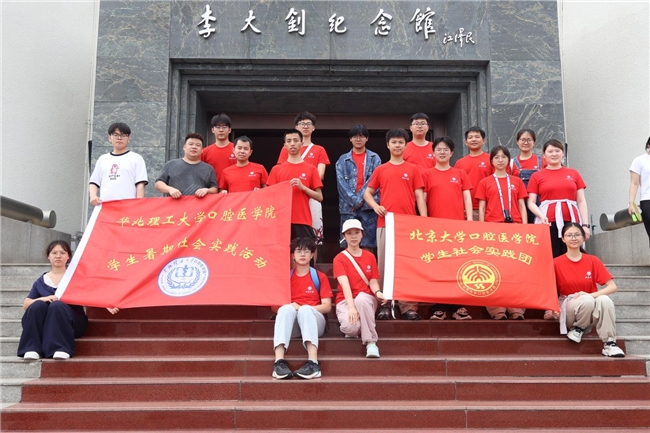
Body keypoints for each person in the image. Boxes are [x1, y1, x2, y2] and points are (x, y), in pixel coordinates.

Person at [364, 128, 427, 320]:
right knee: (384, 264)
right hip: (385, 223)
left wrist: (424, 221)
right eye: (394, 142)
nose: (397, 145)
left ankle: (409, 306)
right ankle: (385, 304)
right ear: (388, 145)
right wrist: (376, 206)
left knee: (408, 265)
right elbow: (367, 193)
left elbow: (419, 196)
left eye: (401, 142)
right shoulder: (381, 169)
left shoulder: (413, 169)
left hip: (408, 225)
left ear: (406, 145)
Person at [528, 139, 589, 320]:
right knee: (550, 261)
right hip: (549, 222)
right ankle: (551, 304)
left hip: (572, 222)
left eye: (557, 151)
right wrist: (541, 215)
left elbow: (581, 201)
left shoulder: (573, 173)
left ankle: (575, 303)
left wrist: (585, 225)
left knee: (573, 261)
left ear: (563, 153)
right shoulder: (537, 176)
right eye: (550, 151)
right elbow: (531, 202)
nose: (554, 154)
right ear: (544, 155)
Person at [553, 223, 625, 357]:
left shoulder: (593, 260)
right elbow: (550, 288)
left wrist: (590, 295)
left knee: (604, 300)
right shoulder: (556, 263)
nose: (573, 238)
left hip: (591, 306)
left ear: (583, 237)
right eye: (569, 235)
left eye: (577, 235)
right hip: (570, 308)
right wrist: (551, 309)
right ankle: (577, 328)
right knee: (587, 300)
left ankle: (610, 343)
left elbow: (612, 287)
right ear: (563, 239)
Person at [422, 136, 473, 321]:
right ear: (433, 153)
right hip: (435, 230)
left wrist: (469, 220)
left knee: (457, 266)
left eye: (446, 149)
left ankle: (458, 305)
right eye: (439, 149)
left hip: (457, 228)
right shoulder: (426, 174)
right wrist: (424, 221)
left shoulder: (460, 173)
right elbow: (422, 200)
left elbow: (467, 197)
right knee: (438, 268)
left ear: (451, 153)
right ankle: (439, 306)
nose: (442, 152)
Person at [476, 145, 528, 320]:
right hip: (493, 229)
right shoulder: (485, 182)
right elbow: (481, 207)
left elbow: (521, 205)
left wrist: (525, 227)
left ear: (508, 160)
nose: (500, 160)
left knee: (515, 269)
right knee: (494, 269)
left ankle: (516, 308)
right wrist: (482, 228)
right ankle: (496, 308)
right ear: (491, 161)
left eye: (503, 157)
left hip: (515, 228)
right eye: (496, 157)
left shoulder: (516, 181)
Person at [272, 238, 333, 380]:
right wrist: (291, 308)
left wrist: (302, 308)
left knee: (305, 310)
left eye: (306, 251)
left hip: (314, 322)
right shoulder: (286, 278)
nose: (303, 254)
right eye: (298, 251)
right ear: (293, 255)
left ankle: (313, 364)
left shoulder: (319, 277)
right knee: (285, 309)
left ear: (312, 255)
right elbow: (274, 307)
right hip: (292, 324)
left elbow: (327, 306)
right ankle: (279, 363)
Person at [17, 241, 89, 360]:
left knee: (57, 306)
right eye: (54, 253)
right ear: (48, 256)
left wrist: (109, 304)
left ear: (68, 256)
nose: (58, 256)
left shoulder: (75, 278)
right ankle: (31, 348)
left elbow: (90, 296)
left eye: (62, 253)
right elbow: (26, 305)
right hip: (45, 325)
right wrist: (43, 299)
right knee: (37, 305)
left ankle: (60, 348)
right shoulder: (41, 281)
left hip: (72, 322)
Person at [277, 112, 330, 254]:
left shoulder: (319, 149)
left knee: (313, 238)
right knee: (288, 242)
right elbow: (282, 174)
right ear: (296, 127)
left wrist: (306, 180)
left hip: (311, 194)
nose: (305, 126)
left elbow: (320, 174)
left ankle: (311, 267)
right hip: (290, 198)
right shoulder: (286, 148)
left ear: (313, 128)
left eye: (308, 124)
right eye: (302, 124)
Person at [333, 219, 387, 358]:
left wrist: (378, 292)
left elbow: (373, 281)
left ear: (362, 234)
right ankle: (359, 326)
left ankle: (371, 342)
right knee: (350, 328)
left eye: (357, 232)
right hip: (346, 300)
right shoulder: (339, 258)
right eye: (349, 233)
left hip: (365, 299)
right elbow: (345, 284)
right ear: (344, 236)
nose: (353, 236)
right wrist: (351, 307)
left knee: (362, 299)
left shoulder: (370, 256)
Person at [267, 129, 323, 241]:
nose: (292, 143)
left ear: (302, 144)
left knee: (304, 251)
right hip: (281, 220)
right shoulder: (276, 169)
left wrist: (303, 187)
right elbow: (268, 196)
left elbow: (319, 197)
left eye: (295, 140)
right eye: (289, 141)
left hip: (303, 220)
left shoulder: (311, 169)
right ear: (284, 146)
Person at [335, 125, 382, 249]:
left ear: (367, 138)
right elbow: (341, 185)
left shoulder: (375, 158)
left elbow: (374, 181)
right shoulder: (342, 160)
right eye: (355, 136)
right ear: (350, 139)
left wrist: (359, 200)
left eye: (361, 136)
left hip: (368, 207)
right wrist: (354, 201)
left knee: (368, 242)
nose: (358, 139)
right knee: (347, 242)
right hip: (348, 207)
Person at [89, 122, 148, 206]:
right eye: (116, 135)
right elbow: (94, 182)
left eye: (123, 135)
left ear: (128, 139)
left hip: (128, 206)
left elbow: (140, 184)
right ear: (110, 138)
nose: (119, 138)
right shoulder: (103, 159)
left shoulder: (136, 158)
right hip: (105, 206)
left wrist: (138, 204)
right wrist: (93, 196)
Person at [155, 133, 218, 198]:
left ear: (202, 150)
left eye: (198, 145)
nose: (194, 147)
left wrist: (207, 190)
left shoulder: (208, 169)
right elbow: (158, 183)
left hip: (199, 204)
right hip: (175, 203)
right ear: (184, 147)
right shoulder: (171, 164)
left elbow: (215, 189)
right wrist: (170, 189)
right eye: (191, 144)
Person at [454, 126, 494, 221]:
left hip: (487, 208)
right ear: (466, 142)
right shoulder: (459, 163)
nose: (474, 139)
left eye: (477, 137)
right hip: (465, 209)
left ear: (484, 140)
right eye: (470, 137)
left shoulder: (491, 160)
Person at [509, 129, 545, 224]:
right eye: (523, 140)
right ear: (517, 142)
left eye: (529, 140)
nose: (526, 143)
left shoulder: (542, 161)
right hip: (520, 204)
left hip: (540, 205)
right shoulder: (511, 163)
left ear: (534, 142)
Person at [200, 113, 236, 181]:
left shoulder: (237, 150)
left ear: (229, 130)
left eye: (224, 127)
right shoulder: (205, 152)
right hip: (213, 187)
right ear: (212, 130)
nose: (221, 130)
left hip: (233, 186)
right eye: (217, 127)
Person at [628, 136, 650, 245]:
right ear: (648, 145)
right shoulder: (639, 160)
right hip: (647, 200)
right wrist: (631, 203)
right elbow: (634, 183)